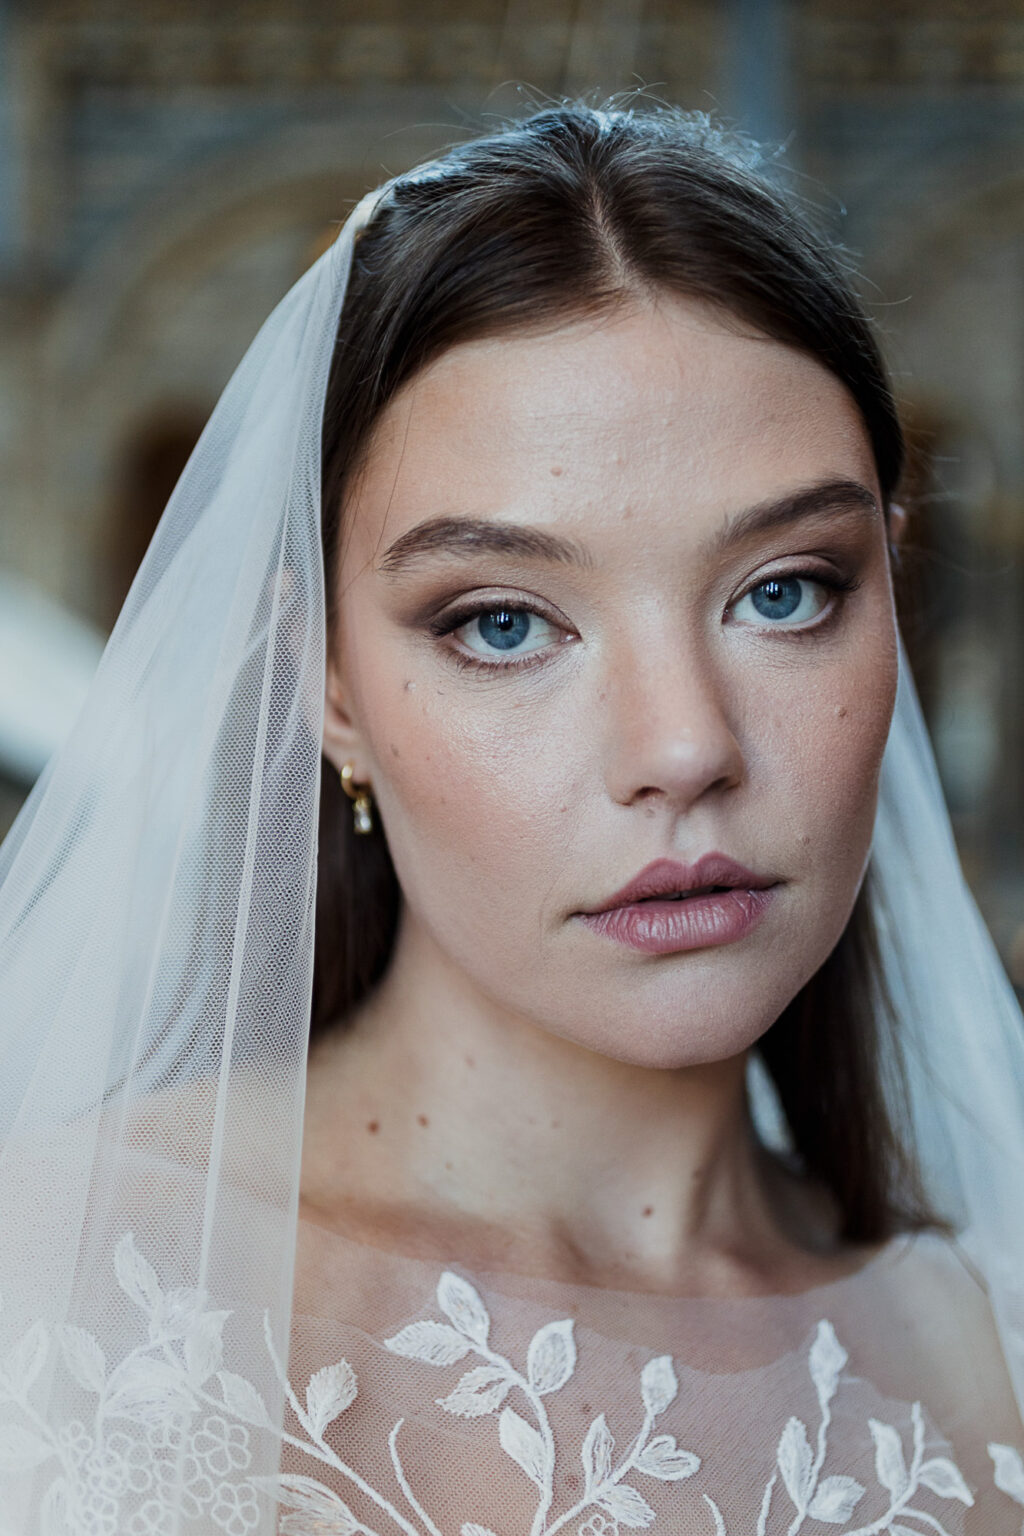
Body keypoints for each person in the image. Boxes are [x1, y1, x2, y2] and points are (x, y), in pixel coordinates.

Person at [1, 103, 1023, 1536]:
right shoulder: (50, 1290)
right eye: (501, 623)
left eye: (784, 590)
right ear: (332, 684)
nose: (684, 749)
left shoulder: (988, 1353)